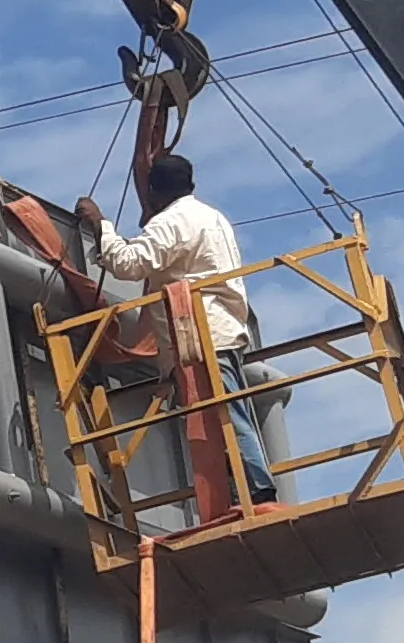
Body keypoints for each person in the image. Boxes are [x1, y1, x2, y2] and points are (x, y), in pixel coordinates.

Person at [77, 150, 276, 503]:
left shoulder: (172, 222)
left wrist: (100, 225)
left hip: (200, 335)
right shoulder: (213, 218)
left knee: (225, 416)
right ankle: (246, 490)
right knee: (228, 413)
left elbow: (129, 264)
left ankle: (257, 491)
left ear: (153, 191)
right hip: (221, 328)